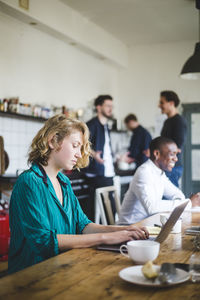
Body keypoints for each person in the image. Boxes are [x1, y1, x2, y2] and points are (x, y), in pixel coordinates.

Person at [8, 114, 149, 274]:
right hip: (31, 275)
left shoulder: (63, 181)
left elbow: (82, 225)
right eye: (75, 145)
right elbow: (44, 241)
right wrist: (106, 238)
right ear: (53, 141)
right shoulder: (29, 182)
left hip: (62, 269)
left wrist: (121, 230)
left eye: (81, 148)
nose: (79, 154)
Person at [118, 136, 200, 224]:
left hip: (147, 224)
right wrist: (188, 203)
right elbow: (152, 208)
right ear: (157, 154)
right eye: (172, 154)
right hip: (129, 227)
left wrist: (184, 203)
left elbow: (177, 195)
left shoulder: (159, 173)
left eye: (176, 155)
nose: (176, 159)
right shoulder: (144, 172)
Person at [83, 95, 115, 221]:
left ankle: (108, 236)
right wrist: (94, 154)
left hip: (108, 171)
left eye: (112, 106)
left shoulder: (106, 125)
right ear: (98, 107)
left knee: (109, 211)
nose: (110, 109)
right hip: (97, 173)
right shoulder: (91, 125)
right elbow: (82, 144)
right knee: (105, 211)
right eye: (108, 106)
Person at [159, 90, 187, 187]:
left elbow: (177, 146)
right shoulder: (167, 121)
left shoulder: (179, 121)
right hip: (166, 165)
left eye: (162, 102)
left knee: (173, 200)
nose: (159, 105)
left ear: (171, 103)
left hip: (172, 167)